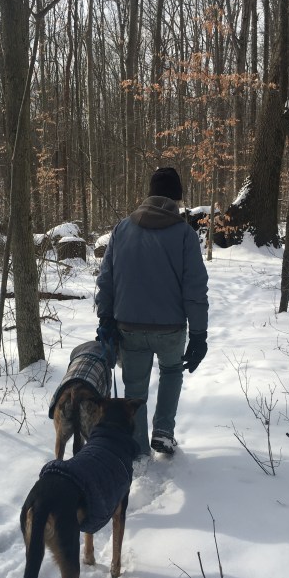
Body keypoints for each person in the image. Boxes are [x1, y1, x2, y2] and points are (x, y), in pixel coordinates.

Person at [95, 167, 208, 458]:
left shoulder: (122, 228)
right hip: (170, 327)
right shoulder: (184, 234)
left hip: (128, 325)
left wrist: (105, 317)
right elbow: (195, 288)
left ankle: (137, 446)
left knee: (135, 388)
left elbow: (106, 277)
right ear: (178, 198)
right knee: (171, 371)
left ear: (150, 194)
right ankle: (163, 431)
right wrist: (198, 334)